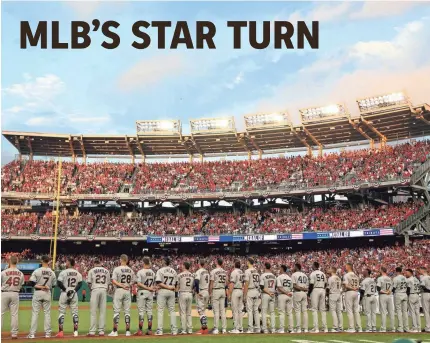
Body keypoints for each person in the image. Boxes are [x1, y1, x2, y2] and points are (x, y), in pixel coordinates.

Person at [28, 255, 57, 339]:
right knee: (47, 313)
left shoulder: (37, 270)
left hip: (38, 292)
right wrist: (46, 287)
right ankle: (48, 334)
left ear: (42, 261)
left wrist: (40, 286)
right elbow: (54, 285)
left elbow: (31, 283)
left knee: (35, 313)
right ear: (48, 261)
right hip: (47, 293)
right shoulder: (52, 272)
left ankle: (32, 334)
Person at [109, 254, 135, 337]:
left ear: (121, 260)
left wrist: (121, 285)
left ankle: (115, 331)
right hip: (127, 290)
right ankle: (128, 331)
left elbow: (113, 280)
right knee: (127, 311)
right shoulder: (131, 270)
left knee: (116, 311)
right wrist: (128, 285)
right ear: (127, 260)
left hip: (119, 290)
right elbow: (134, 281)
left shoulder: (117, 269)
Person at [56, 257, 83, 337]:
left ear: (69, 263)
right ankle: (75, 332)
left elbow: (59, 283)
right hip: (74, 294)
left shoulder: (63, 272)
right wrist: (74, 291)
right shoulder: (77, 273)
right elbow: (80, 284)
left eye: (67, 261)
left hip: (64, 293)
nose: (66, 263)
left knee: (61, 312)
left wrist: (66, 290)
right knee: (75, 312)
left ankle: (60, 332)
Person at [1, 255, 24, 340]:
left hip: (4, 293)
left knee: (1, 314)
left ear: (9, 262)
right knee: (14, 314)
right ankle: (14, 334)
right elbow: (21, 285)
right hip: (15, 293)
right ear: (17, 262)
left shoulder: (3, 272)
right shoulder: (20, 273)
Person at [86, 258, 110, 337]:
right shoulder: (106, 271)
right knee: (102, 312)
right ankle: (101, 331)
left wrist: (91, 290)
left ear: (94, 263)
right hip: (103, 290)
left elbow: (89, 283)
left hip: (95, 289)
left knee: (93, 312)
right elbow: (108, 283)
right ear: (100, 263)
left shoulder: (91, 270)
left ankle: (92, 331)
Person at [155, 257, 178, 336]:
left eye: (162, 261)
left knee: (160, 310)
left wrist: (166, 287)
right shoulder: (174, 271)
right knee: (172, 311)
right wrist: (171, 288)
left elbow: (159, 282)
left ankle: (160, 330)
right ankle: (174, 330)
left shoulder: (160, 270)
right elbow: (176, 284)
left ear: (164, 262)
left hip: (163, 291)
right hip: (171, 291)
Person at [135, 257, 155, 336]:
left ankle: (140, 330)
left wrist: (147, 288)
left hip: (142, 292)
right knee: (149, 311)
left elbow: (139, 283)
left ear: (143, 263)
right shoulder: (153, 272)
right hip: (150, 292)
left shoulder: (140, 272)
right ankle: (149, 330)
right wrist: (150, 288)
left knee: (141, 311)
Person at [209, 258, 227, 335]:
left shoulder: (213, 271)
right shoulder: (224, 272)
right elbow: (226, 282)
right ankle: (224, 329)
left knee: (216, 311)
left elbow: (211, 283)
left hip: (216, 290)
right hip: (222, 290)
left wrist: (210, 292)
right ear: (221, 263)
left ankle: (216, 328)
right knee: (222, 311)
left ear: (216, 263)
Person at [343, 262, 362, 333]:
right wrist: (355, 288)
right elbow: (358, 286)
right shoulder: (356, 276)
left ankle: (351, 328)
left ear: (348, 267)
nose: (345, 267)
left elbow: (346, 285)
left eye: (346, 266)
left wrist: (351, 288)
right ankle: (359, 328)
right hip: (356, 292)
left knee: (349, 310)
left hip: (350, 292)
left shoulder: (346, 275)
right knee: (356, 310)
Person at [309, 261, 327, 333]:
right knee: (322, 309)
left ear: (314, 266)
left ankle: (316, 328)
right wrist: (322, 288)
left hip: (315, 289)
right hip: (322, 289)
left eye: (312, 265)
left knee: (314, 309)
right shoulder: (323, 273)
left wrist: (309, 293)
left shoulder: (313, 273)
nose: (311, 266)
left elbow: (311, 285)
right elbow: (325, 283)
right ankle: (324, 328)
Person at [244, 257, 260, 334]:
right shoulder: (257, 271)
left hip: (250, 290)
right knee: (256, 310)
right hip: (256, 290)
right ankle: (257, 328)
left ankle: (250, 328)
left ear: (248, 262)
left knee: (250, 310)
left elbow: (246, 283)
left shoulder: (247, 271)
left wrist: (244, 294)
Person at [177, 261, 194, 334]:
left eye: (182, 265)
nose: (181, 266)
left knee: (183, 313)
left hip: (183, 293)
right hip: (190, 293)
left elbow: (177, 287)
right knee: (189, 313)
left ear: (184, 266)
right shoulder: (192, 275)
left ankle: (183, 330)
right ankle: (190, 329)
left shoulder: (179, 275)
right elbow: (193, 286)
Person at [377, 266, 395, 333]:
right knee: (391, 312)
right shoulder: (390, 278)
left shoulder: (380, 278)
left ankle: (383, 328)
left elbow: (378, 288)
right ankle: (393, 328)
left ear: (381, 270)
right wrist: (389, 291)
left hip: (383, 295)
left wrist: (385, 292)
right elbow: (392, 288)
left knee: (383, 312)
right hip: (389, 295)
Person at [292, 263, 309, 333]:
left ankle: (298, 328)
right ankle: (305, 328)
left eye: (294, 267)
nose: (293, 268)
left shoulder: (294, 274)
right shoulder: (305, 275)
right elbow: (307, 287)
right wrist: (303, 289)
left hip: (297, 293)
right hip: (304, 293)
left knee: (297, 311)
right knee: (304, 311)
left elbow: (294, 285)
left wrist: (300, 288)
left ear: (296, 267)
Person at [276, 264, 293, 334]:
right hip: (289, 295)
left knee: (281, 312)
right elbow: (292, 288)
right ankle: (291, 329)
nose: (279, 269)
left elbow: (279, 288)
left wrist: (285, 293)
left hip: (282, 295)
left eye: (280, 268)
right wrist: (288, 293)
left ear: (282, 269)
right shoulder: (289, 278)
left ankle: (282, 329)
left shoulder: (279, 277)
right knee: (289, 313)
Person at [260, 262, 276, 334]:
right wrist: (271, 292)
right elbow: (275, 286)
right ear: (270, 267)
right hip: (272, 294)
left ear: (265, 267)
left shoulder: (263, 275)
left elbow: (261, 287)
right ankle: (273, 329)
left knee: (264, 312)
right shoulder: (274, 276)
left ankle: (265, 329)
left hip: (266, 294)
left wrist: (268, 292)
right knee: (272, 312)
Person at [194, 259, 210, 335]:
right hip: (206, 291)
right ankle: (204, 328)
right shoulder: (207, 272)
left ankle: (204, 328)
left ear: (199, 264)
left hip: (201, 291)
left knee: (200, 311)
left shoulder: (198, 271)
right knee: (203, 310)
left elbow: (196, 282)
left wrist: (197, 292)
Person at [228, 260, 244, 334]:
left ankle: (236, 328)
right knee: (240, 311)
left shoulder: (234, 272)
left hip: (236, 291)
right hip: (241, 290)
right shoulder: (242, 272)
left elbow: (232, 283)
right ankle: (240, 328)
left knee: (235, 310)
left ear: (234, 265)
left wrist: (229, 294)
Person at [360, 268, 377, 333]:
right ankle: (374, 327)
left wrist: (360, 300)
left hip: (367, 297)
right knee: (373, 313)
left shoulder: (364, 281)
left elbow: (362, 291)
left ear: (367, 272)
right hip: (373, 296)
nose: (363, 273)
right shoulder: (373, 280)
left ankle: (368, 328)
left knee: (368, 313)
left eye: (364, 272)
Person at [392, 266, 408, 333]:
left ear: (396, 271)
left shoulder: (396, 278)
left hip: (398, 294)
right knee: (405, 312)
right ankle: (406, 327)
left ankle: (400, 327)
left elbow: (393, 288)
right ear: (401, 271)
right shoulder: (405, 278)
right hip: (404, 294)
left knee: (398, 311)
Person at [327, 267, 343, 332]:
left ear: (332, 270)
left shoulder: (330, 278)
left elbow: (328, 288)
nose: (329, 269)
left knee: (333, 311)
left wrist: (327, 295)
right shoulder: (338, 278)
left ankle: (335, 327)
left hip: (333, 294)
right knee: (339, 311)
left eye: (330, 269)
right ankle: (340, 327)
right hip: (339, 294)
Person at [405, 269, 421, 333]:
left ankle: (414, 328)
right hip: (417, 295)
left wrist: (407, 296)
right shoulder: (416, 279)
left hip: (411, 295)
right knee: (417, 312)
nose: (406, 274)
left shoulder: (409, 280)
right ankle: (419, 328)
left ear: (410, 273)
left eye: (407, 273)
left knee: (412, 312)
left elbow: (408, 289)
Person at [419, 266, 430, 333]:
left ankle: (428, 327)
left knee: (426, 311)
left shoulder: (423, 278)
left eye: (420, 270)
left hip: (426, 294)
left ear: (423, 270)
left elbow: (423, 287)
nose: (419, 271)